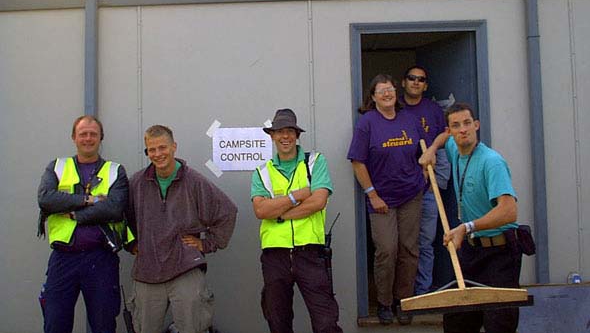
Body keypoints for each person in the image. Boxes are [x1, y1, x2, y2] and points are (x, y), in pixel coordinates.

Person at [127, 125, 237, 333]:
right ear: (147, 151)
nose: (158, 154)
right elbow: (121, 217)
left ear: (174, 147)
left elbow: (227, 212)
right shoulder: (137, 183)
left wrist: (206, 244)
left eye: (162, 147)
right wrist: (131, 243)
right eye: (152, 149)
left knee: (192, 328)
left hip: (185, 268)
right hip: (147, 271)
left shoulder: (194, 181)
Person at [423, 102, 522, 333]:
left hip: (499, 252)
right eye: (456, 125)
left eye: (467, 123)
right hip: (471, 251)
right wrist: (431, 149)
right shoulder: (453, 148)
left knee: (499, 323)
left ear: (476, 125)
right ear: (450, 131)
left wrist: (466, 227)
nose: (463, 130)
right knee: (458, 321)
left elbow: (509, 211)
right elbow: (442, 139)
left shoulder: (491, 162)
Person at [251, 108, 343, 333]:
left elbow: (318, 201)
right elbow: (261, 210)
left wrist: (279, 213)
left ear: (297, 135)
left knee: (326, 323)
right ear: (272, 136)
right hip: (275, 255)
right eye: (279, 131)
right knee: (278, 322)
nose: (285, 136)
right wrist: (296, 196)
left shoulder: (315, 162)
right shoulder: (262, 172)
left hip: (310, 253)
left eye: (290, 131)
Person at [347, 74, 427, 325]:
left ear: (395, 91)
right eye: (380, 90)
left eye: (389, 89)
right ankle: (384, 302)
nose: (386, 93)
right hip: (381, 199)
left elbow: (423, 151)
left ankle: (404, 301)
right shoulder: (367, 123)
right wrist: (372, 194)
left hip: (411, 195)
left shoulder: (409, 119)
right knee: (387, 250)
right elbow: (357, 162)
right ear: (373, 97)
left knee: (409, 249)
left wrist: (424, 171)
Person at [37, 115, 129, 333]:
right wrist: (88, 200)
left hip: (101, 258)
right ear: (74, 137)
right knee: (55, 324)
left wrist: (75, 215)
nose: (88, 138)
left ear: (101, 138)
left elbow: (114, 208)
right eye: (83, 134)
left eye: (93, 134)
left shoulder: (115, 171)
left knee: (104, 325)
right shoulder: (57, 167)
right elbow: (46, 199)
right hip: (63, 258)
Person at [400, 65, 450, 295]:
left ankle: (423, 291)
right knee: (403, 242)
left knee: (425, 241)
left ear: (425, 85)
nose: (416, 82)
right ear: (403, 82)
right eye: (412, 78)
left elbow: (446, 133)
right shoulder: (396, 109)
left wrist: (432, 150)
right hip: (403, 187)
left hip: (429, 186)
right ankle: (403, 293)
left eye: (421, 79)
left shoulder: (432, 109)